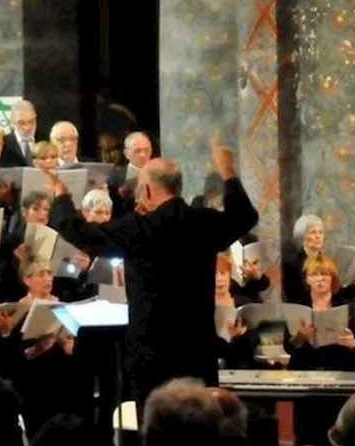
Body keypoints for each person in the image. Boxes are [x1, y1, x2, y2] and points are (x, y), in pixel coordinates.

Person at [49, 138, 258, 411]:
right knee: (199, 427)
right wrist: (227, 170)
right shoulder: (202, 222)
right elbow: (244, 216)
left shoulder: (139, 228)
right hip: (197, 349)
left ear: (146, 190)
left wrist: (62, 196)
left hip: (150, 352)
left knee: (158, 431)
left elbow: (83, 234)